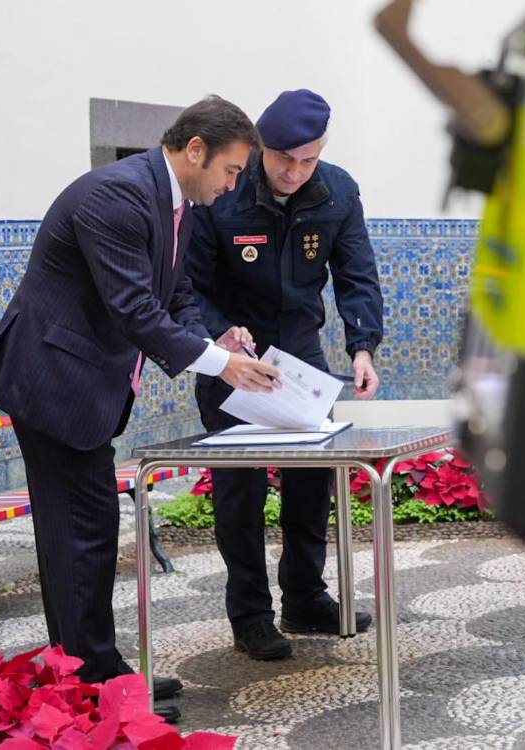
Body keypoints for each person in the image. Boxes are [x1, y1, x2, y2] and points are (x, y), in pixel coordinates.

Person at [0, 96, 281, 722]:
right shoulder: (114, 196)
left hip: (86, 385)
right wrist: (218, 364)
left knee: (89, 532)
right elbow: (134, 310)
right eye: (229, 171)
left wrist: (215, 340)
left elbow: (178, 296)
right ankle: (89, 685)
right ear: (195, 149)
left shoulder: (178, 204)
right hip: (53, 378)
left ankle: (98, 667)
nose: (230, 188)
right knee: (75, 538)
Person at [187, 89, 384, 661]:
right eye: (283, 160)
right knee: (239, 491)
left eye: (309, 160)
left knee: (310, 482)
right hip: (232, 360)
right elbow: (189, 284)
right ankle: (250, 615)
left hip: (300, 361)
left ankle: (304, 596)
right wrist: (220, 335)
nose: (296, 173)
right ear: (261, 150)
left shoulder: (338, 191)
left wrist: (363, 346)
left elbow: (356, 274)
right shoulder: (225, 189)